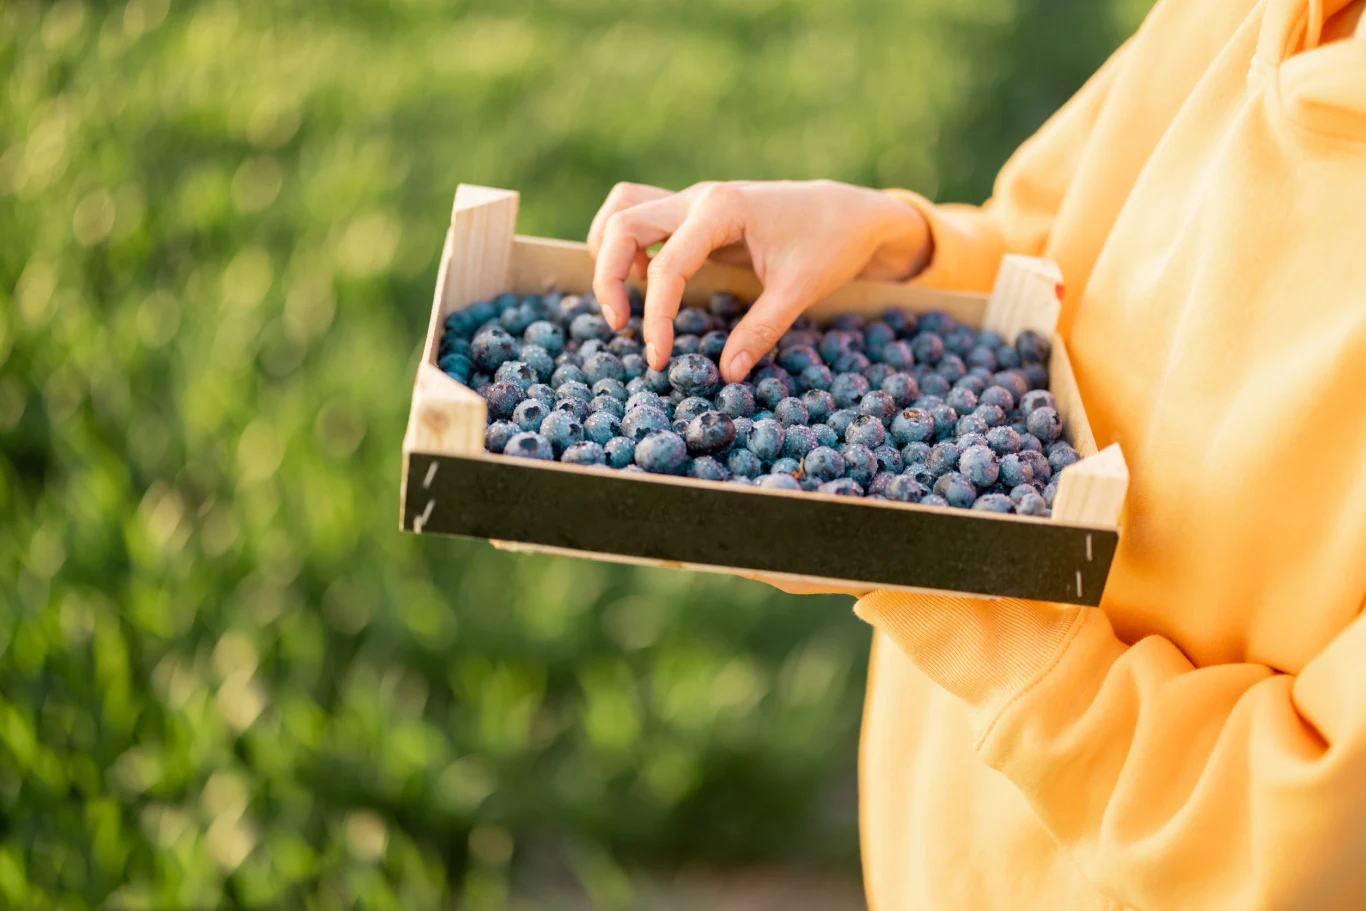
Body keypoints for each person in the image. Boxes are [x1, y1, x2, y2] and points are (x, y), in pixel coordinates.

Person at [585, 0, 1366, 907]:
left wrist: (939, 567)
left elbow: (1297, 847)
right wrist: (899, 245)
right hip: (949, 841)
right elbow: (1053, 245)